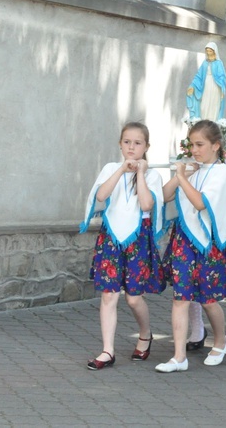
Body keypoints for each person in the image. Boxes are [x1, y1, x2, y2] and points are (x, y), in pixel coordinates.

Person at [156, 120, 226, 373]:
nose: (194, 150)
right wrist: (182, 176)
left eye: (200, 145)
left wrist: (182, 176)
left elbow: (199, 204)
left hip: (209, 244)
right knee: (180, 298)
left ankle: (219, 342)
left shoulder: (222, 173)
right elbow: (164, 196)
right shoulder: (191, 169)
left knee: (208, 300)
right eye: (191, 144)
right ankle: (178, 357)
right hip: (184, 240)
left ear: (216, 145)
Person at [80, 122, 166, 370]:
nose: (131, 147)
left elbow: (147, 204)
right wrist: (121, 170)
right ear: (120, 144)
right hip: (111, 238)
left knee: (133, 298)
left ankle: (145, 334)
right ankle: (108, 350)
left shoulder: (153, 175)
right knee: (109, 295)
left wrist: (140, 172)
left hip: (138, 239)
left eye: (137, 143)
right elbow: (101, 196)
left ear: (146, 146)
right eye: (127, 142)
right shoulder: (110, 168)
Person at [187, 42, 226, 121]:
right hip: (205, 86)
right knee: (204, 105)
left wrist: (222, 86)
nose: (208, 53)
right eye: (207, 51)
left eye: (210, 51)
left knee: (213, 105)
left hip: (216, 87)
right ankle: (203, 122)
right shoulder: (205, 63)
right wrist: (192, 86)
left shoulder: (219, 63)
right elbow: (198, 76)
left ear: (214, 51)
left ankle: (212, 123)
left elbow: (223, 77)